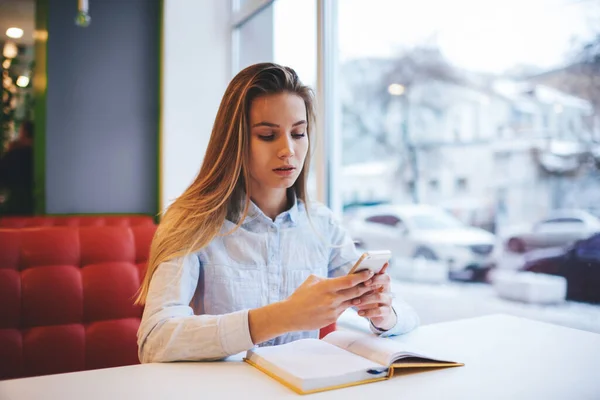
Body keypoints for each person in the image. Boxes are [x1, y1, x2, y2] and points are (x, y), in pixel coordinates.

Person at [135, 63, 419, 363]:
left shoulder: (322, 224)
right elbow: (155, 340)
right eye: (268, 136)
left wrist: (383, 312)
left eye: (298, 133)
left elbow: (407, 314)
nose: (288, 150)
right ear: (236, 142)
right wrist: (282, 317)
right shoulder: (191, 222)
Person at [0, 120, 34, 215]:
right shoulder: (38, 157)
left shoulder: (15, 155)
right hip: (32, 205)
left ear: (24, 133)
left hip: (15, 205)